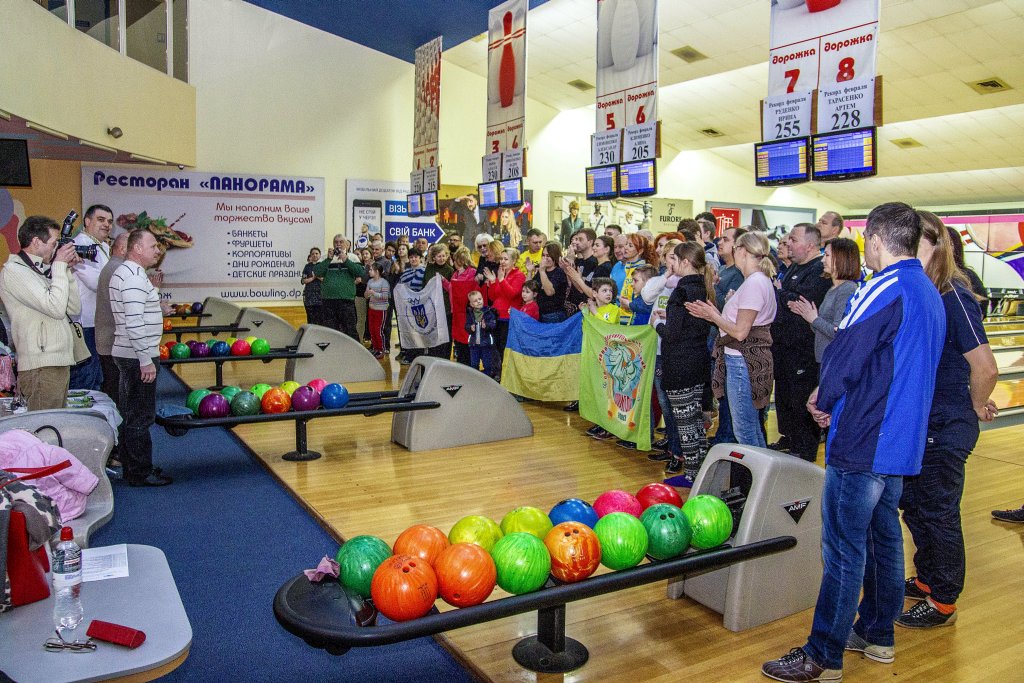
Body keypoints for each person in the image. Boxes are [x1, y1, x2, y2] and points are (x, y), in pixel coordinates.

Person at [761, 202, 945, 683]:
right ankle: (877, 634)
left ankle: (823, 655)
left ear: (876, 241)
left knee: (843, 550)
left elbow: (845, 353)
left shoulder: (883, 286)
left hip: (863, 438)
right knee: (884, 542)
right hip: (900, 444)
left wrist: (823, 397)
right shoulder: (929, 291)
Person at [896, 211, 998, 629]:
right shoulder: (924, 291)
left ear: (935, 245)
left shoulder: (954, 294)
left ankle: (943, 599)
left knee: (938, 512)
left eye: (912, 243)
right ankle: (927, 578)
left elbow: (986, 367)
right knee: (915, 507)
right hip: (924, 423)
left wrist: (975, 404)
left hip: (946, 424)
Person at [685, 232, 777, 448]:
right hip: (744, 358)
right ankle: (758, 469)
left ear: (742, 251)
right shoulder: (756, 281)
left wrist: (713, 316)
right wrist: (715, 314)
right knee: (751, 427)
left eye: (734, 247)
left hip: (743, 360)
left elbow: (740, 332)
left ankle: (754, 469)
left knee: (744, 429)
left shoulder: (755, 283)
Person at [0, 215, 82, 411]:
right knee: (44, 426)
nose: (57, 249)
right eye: (54, 244)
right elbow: (55, 308)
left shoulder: (40, 270)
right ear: (36, 241)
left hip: (56, 362)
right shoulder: (15, 271)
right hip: (40, 366)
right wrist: (59, 266)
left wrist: (66, 271)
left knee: (55, 425)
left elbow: (73, 309)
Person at [110, 229, 171, 487]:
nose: (157, 251)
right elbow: (134, 322)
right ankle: (140, 472)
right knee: (140, 415)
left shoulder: (128, 273)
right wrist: (145, 359)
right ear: (137, 249)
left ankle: (132, 466)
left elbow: (139, 311)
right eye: (153, 246)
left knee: (130, 412)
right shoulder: (133, 277)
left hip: (130, 353)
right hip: (137, 356)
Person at [652, 242, 714, 479]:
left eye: (674, 259)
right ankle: (700, 470)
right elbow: (690, 323)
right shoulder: (702, 287)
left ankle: (691, 474)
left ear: (685, 262)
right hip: (698, 361)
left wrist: (658, 324)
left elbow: (672, 335)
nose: (671, 263)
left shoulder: (681, 291)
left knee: (685, 423)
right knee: (695, 421)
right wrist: (670, 316)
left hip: (680, 363)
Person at [770, 224, 832, 461]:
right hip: (784, 349)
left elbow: (800, 301)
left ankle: (804, 452)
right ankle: (790, 441)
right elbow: (787, 300)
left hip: (803, 351)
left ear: (810, 245)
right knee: (786, 400)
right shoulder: (794, 268)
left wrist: (780, 293)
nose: (788, 244)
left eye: (794, 240)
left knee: (801, 401)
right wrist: (784, 296)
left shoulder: (818, 271)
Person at [788, 238, 860, 364]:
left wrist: (814, 319)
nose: (822, 260)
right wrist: (807, 314)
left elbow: (838, 331)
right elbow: (821, 330)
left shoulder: (847, 289)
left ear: (841, 258)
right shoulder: (833, 288)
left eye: (827, 255)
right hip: (825, 360)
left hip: (835, 361)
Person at [69, 204, 113, 391]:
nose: (107, 225)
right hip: (84, 323)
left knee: (97, 378)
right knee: (85, 380)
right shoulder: (80, 245)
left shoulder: (102, 246)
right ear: (87, 221)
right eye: (101, 220)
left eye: (109, 221)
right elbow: (96, 282)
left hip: (99, 322)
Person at [95, 231, 130, 420]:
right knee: (118, 395)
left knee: (113, 390)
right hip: (114, 342)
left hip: (109, 341)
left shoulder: (113, 267)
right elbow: (128, 307)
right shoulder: (118, 269)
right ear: (123, 249)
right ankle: (119, 433)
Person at [583, 277, 620, 441]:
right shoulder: (592, 310)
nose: (608, 294)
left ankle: (610, 426)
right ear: (595, 293)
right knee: (597, 390)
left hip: (609, 356)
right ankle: (600, 421)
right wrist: (586, 312)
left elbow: (606, 327)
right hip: (594, 355)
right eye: (604, 290)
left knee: (608, 392)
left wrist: (594, 312)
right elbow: (587, 328)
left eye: (610, 291)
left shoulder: (614, 309)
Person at [312, 235, 365, 341]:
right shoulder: (325, 257)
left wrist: (346, 260)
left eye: (341, 242)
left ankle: (353, 350)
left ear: (346, 244)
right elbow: (316, 272)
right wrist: (328, 259)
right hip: (328, 300)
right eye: (336, 242)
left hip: (346, 300)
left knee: (350, 330)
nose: (338, 244)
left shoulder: (352, 257)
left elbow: (360, 272)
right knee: (331, 331)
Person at [481, 247, 525, 372]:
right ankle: (497, 372)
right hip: (496, 317)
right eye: (501, 259)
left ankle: (506, 374)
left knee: (504, 348)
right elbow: (493, 297)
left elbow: (512, 294)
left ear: (514, 261)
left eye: (506, 259)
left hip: (508, 318)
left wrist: (501, 280)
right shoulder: (501, 273)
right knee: (495, 348)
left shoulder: (519, 276)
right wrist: (493, 282)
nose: (502, 262)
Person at [610, 234, 655, 325]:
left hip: (637, 318)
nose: (625, 248)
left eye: (630, 246)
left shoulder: (643, 270)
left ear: (640, 251)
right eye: (626, 244)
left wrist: (629, 304)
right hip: (623, 316)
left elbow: (645, 299)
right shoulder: (628, 267)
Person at [946, 225, 988, 316]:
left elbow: (983, 306)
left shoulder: (968, 276)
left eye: (949, 244)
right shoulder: (928, 275)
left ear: (956, 247)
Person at [449, 246, 479, 367]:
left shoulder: (472, 272)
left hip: (467, 312)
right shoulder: (455, 273)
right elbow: (451, 289)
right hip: (457, 312)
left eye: (456, 260)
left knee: (467, 341)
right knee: (459, 342)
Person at [423, 244, 454, 359]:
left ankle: (445, 358)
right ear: (434, 257)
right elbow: (424, 285)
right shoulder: (429, 268)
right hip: (431, 307)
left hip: (445, 308)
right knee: (433, 333)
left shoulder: (450, 270)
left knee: (446, 334)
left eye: (444, 256)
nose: (442, 258)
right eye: (439, 256)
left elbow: (451, 290)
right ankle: (433, 357)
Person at [525, 241, 568, 323]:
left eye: (548, 256)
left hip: (554, 315)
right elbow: (528, 288)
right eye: (543, 255)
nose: (545, 258)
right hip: (540, 312)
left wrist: (542, 271)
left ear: (555, 256)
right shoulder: (542, 271)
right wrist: (529, 272)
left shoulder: (559, 272)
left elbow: (549, 292)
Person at [397, 247, 426, 364]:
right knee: (410, 330)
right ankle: (410, 355)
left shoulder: (424, 271)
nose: (413, 259)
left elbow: (423, 287)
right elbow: (400, 286)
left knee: (419, 330)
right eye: (411, 257)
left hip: (420, 307)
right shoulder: (406, 272)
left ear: (420, 258)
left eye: (416, 257)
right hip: (408, 306)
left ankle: (419, 355)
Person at [465, 290, 498, 378]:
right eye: (475, 301)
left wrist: (486, 326)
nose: (479, 301)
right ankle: (475, 379)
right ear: (471, 304)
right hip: (474, 345)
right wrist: (470, 328)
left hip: (486, 344)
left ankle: (487, 379)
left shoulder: (488, 312)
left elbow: (493, 324)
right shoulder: (470, 314)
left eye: (480, 299)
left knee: (487, 364)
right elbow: (466, 326)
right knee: (474, 364)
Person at [365, 262, 391, 359]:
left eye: (371, 270)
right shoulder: (370, 281)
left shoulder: (384, 282)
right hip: (372, 308)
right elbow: (366, 295)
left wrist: (374, 293)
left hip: (381, 309)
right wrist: (367, 294)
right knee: (372, 329)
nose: (369, 271)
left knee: (378, 330)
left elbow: (385, 296)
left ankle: (381, 349)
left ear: (377, 271)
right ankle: (375, 348)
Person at [301, 247, 323, 326]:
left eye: (316, 253)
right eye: (313, 254)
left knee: (320, 319)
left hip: (321, 296)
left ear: (320, 255)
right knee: (310, 319)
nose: (315, 255)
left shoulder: (323, 265)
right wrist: (313, 278)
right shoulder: (307, 267)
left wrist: (317, 276)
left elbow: (326, 280)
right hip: (309, 296)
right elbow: (303, 280)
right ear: (310, 255)